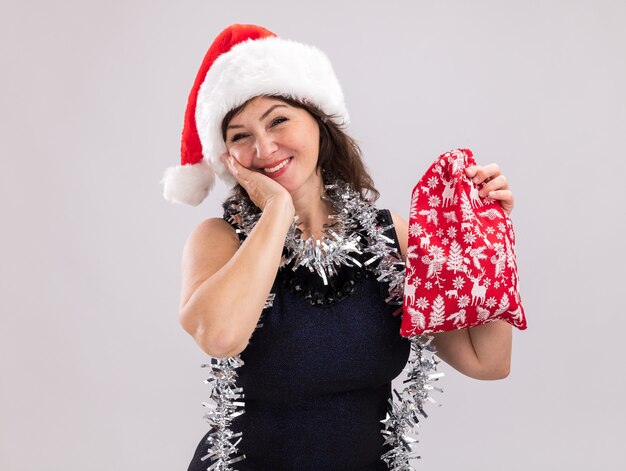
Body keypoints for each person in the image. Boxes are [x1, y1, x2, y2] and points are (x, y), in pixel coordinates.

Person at [162, 24, 514, 471]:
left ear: (319, 120)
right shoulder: (219, 240)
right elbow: (220, 336)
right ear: (228, 157)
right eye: (240, 136)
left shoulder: (390, 241)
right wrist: (276, 209)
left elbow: (487, 361)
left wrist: (490, 242)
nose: (265, 147)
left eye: (278, 120)